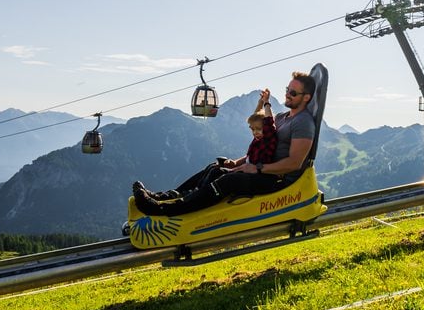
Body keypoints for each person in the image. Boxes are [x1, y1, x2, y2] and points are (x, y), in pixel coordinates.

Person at [133, 71, 316, 217]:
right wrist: (237, 163)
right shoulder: (283, 117)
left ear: (306, 97)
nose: (287, 95)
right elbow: (263, 143)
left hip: (276, 179)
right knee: (216, 168)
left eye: (293, 93)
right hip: (262, 169)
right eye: (287, 90)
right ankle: (166, 197)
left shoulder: (303, 122)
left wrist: (257, 168)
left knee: (228, 180)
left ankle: (162, 210)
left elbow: (294, 163)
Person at [133, 89, 278, 202]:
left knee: (217, 173)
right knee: (213, 167)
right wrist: (234, 162)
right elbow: (249, 154)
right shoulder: (258, 140)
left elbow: (268, 123)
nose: (255, 132)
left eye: (259, 129)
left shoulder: (268, 139)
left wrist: (266, 103)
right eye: (252, 130)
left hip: (254, 176)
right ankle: (175, 193)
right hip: (244, 170)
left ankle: (192, 195)